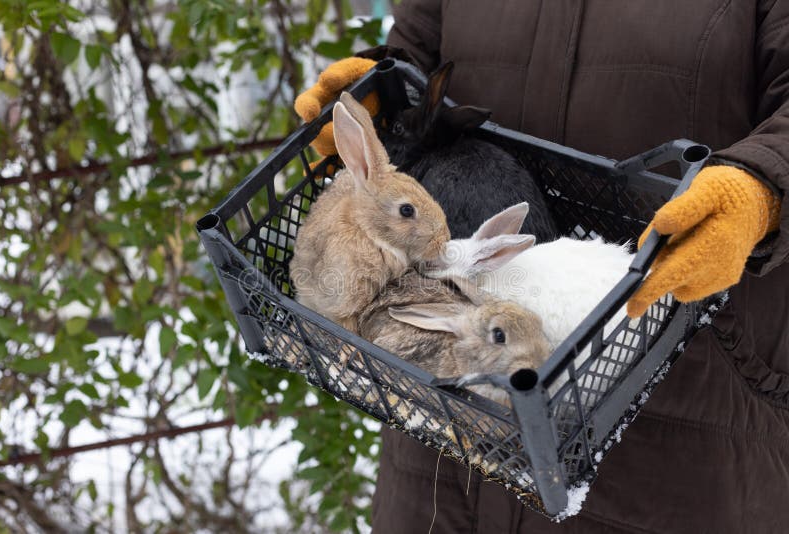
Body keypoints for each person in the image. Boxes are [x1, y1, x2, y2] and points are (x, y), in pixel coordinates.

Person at [297, 1, 789, 531]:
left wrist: (762, 184)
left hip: (685, 407)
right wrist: (381, 92)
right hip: (448, 425)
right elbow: (419, 52)